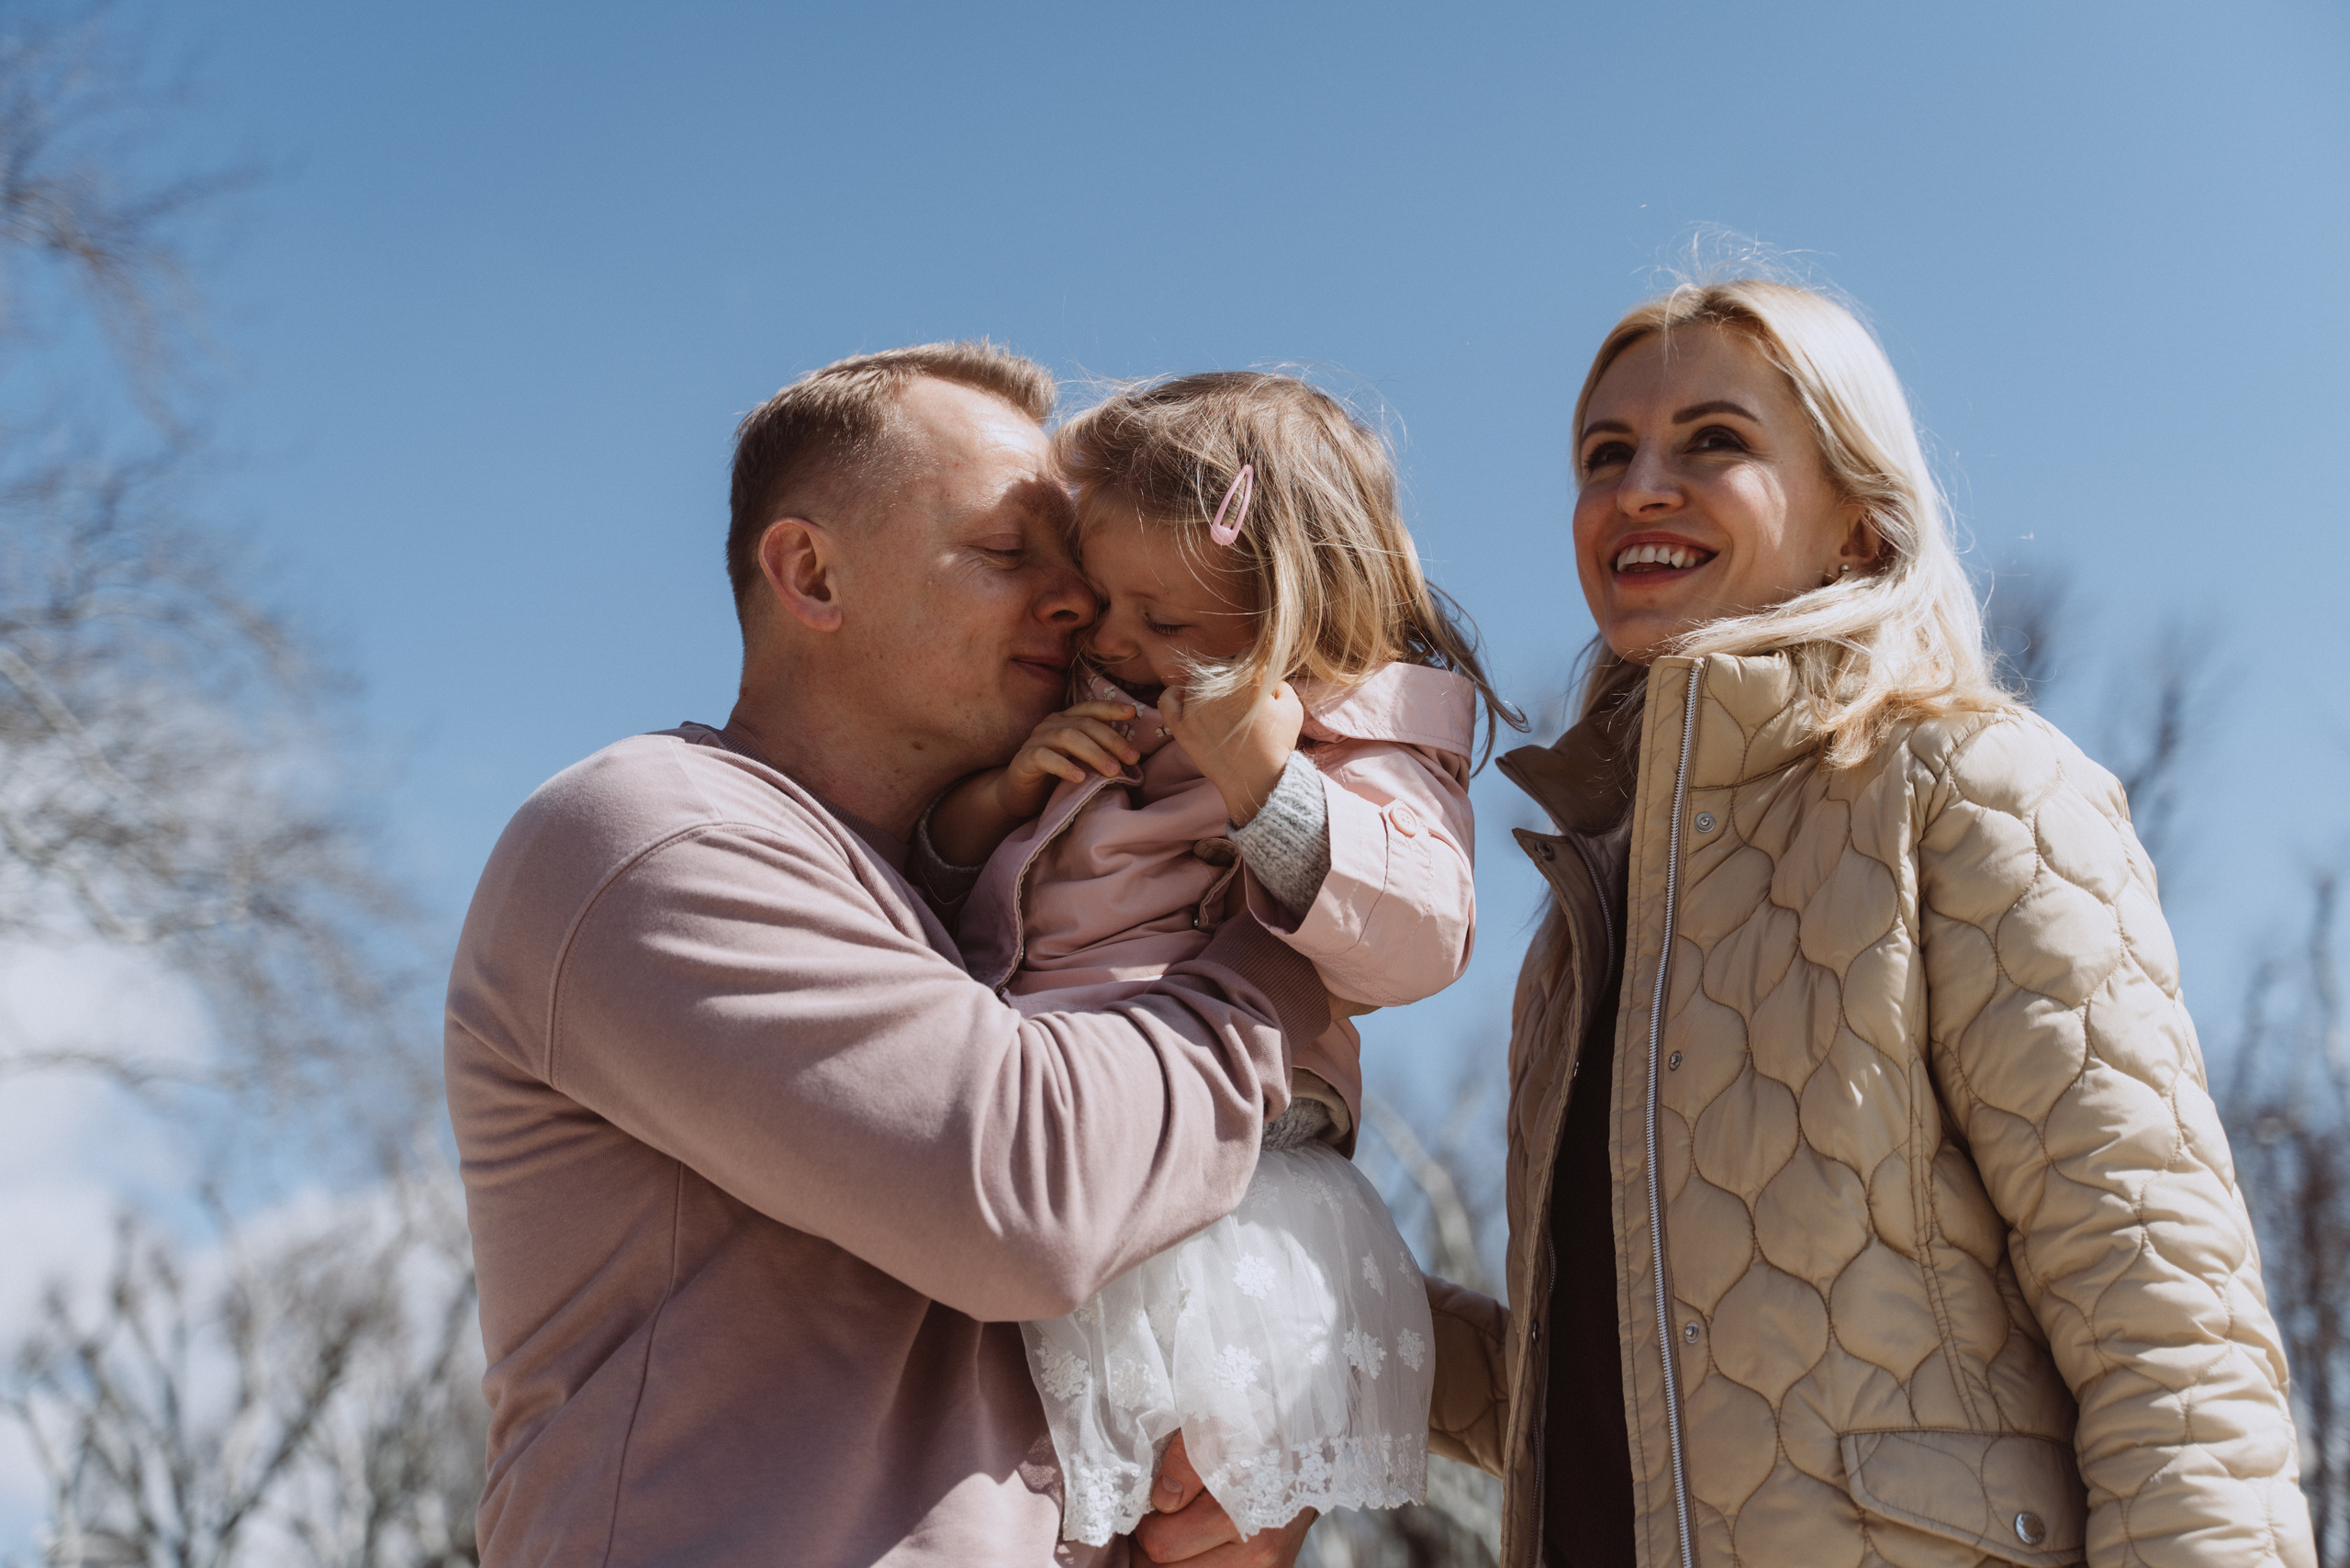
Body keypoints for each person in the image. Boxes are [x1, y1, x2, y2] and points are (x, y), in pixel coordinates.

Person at [1425, 280, 2316, 1568]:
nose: (1640, 488)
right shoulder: (1581, 938)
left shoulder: (1969, 791)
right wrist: (1301, 1277)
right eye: (1603, 457)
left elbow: (2167, 1338)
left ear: (1857, 521)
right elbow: (1637, 1405)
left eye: (1713, 441)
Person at [442, 342, 1336, 1567]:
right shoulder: (648, 836)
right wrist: (1300, 934)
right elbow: (1029, 1194)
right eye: (1008, 556)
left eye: (1074, 566)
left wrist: (1256, 1448)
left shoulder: (997, 924)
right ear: (811, 573)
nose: (1080, 607)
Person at [914, 373, 1517, 1548]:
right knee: (1048, 1522)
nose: (1122, 642)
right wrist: (1000, 798)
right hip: (1054, 1161)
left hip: (1232, 1206)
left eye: (1168, 621)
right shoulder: (1087, 717)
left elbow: (1419, 933)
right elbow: (945, 910)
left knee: (1216, 1524)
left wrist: (1266, 787)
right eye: (1104, 603)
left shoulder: (1363, 728)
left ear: (1292, 605)